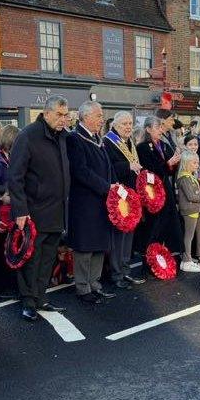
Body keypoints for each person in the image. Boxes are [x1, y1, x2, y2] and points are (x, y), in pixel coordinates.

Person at [7, 96, 71, 321]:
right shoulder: (28, 135)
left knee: (47, 258)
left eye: (66, 114)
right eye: (60, 115)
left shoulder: (62, 136)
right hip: (34, 211)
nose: (64, 119)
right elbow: (15, 176)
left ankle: (41, 297)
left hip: (56, 210)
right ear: (46, 113)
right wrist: (21, 210)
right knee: (31, 259)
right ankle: (28, 301)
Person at [65, 101, 116, 304]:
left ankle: (95, 283)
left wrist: (114, 185)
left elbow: (107, 166)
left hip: (102, 199)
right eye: (98, 115)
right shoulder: (75, 138)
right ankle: (82, 287)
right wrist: (106, 187)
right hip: (85, 201)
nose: (101, 119)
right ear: (85, 117)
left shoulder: (97, 138)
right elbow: (80, 171)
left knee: (98, 244)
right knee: (85, 246)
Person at [103, 111, 145, 289]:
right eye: (124, 124)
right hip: (119, 195)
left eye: (130, 123)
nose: (128, 127)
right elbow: (108, 167)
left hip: (131, 194)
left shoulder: (130, 142)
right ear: (115, 126)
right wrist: (128, 165)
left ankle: (125, 270)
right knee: (119, 237)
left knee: (129, 236)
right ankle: (116, 273)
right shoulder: (108, 141)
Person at [135, 116, 184, 254]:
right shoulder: (143, 147)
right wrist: (168, 163)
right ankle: (149, 254)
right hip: (152, 190)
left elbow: (171, 166)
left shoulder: (164, 145)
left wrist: (174, 162)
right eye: (157, 127)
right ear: (148, 129)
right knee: (155, 223)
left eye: (161, 127)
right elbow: (149, 169)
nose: (160, 130)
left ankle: (167, 253)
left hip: (165, 185)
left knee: (168, 221)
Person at [0, 124, 21, 298]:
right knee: (0, 251)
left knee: (9, 248)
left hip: (8, 208)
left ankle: (7, 284)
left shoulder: (5, 155)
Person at [176, 150, 200, 273]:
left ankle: (195, 258)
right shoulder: (184, 178)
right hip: (189, 210)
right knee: (188, 236)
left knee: (196, 233)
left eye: (197, 163)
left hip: (195, 209)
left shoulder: (189, 177)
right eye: (194, 163)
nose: (197, 165)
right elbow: (192, 196)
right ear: (186, 163)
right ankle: (186, 261)